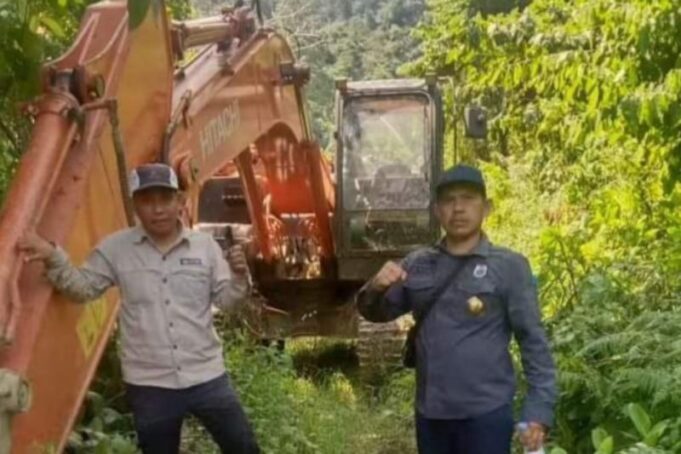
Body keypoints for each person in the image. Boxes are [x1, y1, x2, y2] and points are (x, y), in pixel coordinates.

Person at [18, 163, 259, 454]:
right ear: (135, 205)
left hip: (207, 377)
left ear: (180, 201)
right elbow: (83, 288)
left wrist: (239, 277)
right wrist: (52, 255)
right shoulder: (116, 249)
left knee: (244, 447)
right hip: (150, 386)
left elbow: (227, 301)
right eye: (147, 200)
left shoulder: (204, 247)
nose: (158, 209)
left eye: (165, 199)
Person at [356, 164, 557, 454]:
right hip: (431, 415)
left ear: (486, 208)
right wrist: (376, 286)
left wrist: (538, 411)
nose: (458, 208)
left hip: (487, 415)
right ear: (437, 211)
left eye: (468, 198)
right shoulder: (417, 264)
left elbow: (533, 341)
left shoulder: (509, 267)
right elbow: (376, 314)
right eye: (449, 200)